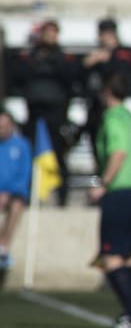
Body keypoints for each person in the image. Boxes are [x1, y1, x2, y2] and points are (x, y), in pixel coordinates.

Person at [90, 74, 131, 328]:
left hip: (119, 192)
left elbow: (118, 152)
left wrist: (103, 183)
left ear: (107, 92)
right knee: (127, 254)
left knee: (112, 255)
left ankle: (130, 312)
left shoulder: (113, 117)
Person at [12, 19, 78, 207]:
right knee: (31, 155)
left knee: (58, 156)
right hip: (34, 114)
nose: (50, 37)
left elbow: (69, 78)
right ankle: (31, 195)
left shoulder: (63, 58)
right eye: (47, 33)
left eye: (53, 33)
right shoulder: (32, 57)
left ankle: (62, 197)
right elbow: (19, 76)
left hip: (56, 114)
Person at [82, 18, 131, 165]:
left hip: (116, 105)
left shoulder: (122, 53)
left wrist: (108, 59)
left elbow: (123, 75)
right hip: (97, 107)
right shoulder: (97, 54)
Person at [0, 111, 31, 270]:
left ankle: (3, 247)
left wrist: (7, 192)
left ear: (11, 125)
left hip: (14, 193)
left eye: (4, 126)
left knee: (16, 206)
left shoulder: (22, 145)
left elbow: (24, 175)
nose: (1, 129)